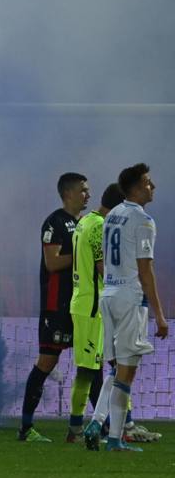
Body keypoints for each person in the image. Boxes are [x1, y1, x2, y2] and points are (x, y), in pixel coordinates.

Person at [84, 163, 167, 452]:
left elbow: (107, 258)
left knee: (118, 368)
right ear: (134, 188)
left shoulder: (112, 215)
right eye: (147, 182)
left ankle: (98, 422)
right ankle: (114, 437)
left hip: (110, 294)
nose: (152, 186)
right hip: (131, 298)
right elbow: (146, 270)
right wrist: (159, 315)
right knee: (127, 371)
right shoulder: (143, 221)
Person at [17, 172, 88, 442]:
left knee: (90, 363)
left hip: (80, 304)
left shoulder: (83, 223)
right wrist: (82, 255)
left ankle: (87, 428)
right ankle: (25, 428)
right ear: (68, 193)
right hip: (56, 305)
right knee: (47, 362)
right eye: (83, 190)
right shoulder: (55, 222)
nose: (87, 195)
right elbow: (52, 263)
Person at [64, 182, 124, 442]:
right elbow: (103, 267)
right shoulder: (99, 226)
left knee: (109, 366)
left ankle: (117, 424)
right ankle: (75, 429)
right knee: (87, 371)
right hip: (90, 306)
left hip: (86, 303)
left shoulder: (85, 221)